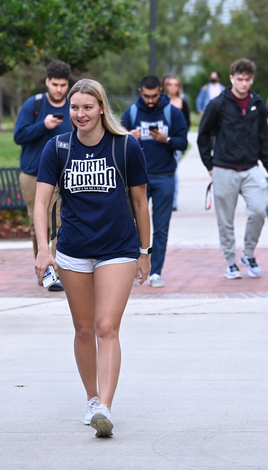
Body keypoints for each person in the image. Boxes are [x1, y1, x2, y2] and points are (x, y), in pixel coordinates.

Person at [34, 79, 151, 437]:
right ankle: (91, 398)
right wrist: (43, 247)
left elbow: (139, 203)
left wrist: (145, 252)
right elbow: (41, 202)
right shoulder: (58, 148)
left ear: (101, 107)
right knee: (84, 329)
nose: (80, 114)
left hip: (117, 249)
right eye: (74, 108)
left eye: (87, 107)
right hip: (73, 251)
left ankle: (106, 407)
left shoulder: (125, 147)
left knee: (106, 327)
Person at [197, 58, 268, 280]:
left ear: (252, 79)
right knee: (225, 220)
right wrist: (209, 165)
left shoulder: (257, 103)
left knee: (259, 209)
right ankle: (230, 261)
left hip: (250, 168)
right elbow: (203, 135)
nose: (243, 83)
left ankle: (248, 254)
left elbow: (262, 138)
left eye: (247, 79)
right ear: (231, 78)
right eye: (239, 79)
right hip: (223, 168)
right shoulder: (218, 103)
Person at [121, 75, 188, 288]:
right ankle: (133, 267)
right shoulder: (131, 113)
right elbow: (115, 141)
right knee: (132, 225)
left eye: (154, 96)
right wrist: (128, 137)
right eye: (146, 96)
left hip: (164, 177)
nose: (150, 100)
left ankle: (156, 271)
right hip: (137, 180)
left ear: (161, 91)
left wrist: (165, 139)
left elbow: (183, 142)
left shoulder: (173, 113)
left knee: (161, 227)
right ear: (140, 91)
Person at [14, 60, 72, 291]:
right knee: (37, 225)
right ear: (47, 81)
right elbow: (19, 136)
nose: (59, 89)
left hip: (62, 175)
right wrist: (43, 125)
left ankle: (56, 273)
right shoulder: (34, 104)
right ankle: (45, 270)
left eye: (63, 85)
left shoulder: (72, 106)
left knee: (60, 225)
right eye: (55, 84)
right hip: (32, 175)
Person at [164, 75, 190, 210]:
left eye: (175, 84)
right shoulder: (161, 102)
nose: (173, 87)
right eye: (170, 84)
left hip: (176, 141)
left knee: (173, 170)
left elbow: (187, 123)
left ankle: (172, 201)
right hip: (161, 141)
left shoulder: (182, 102)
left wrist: (181, 139)